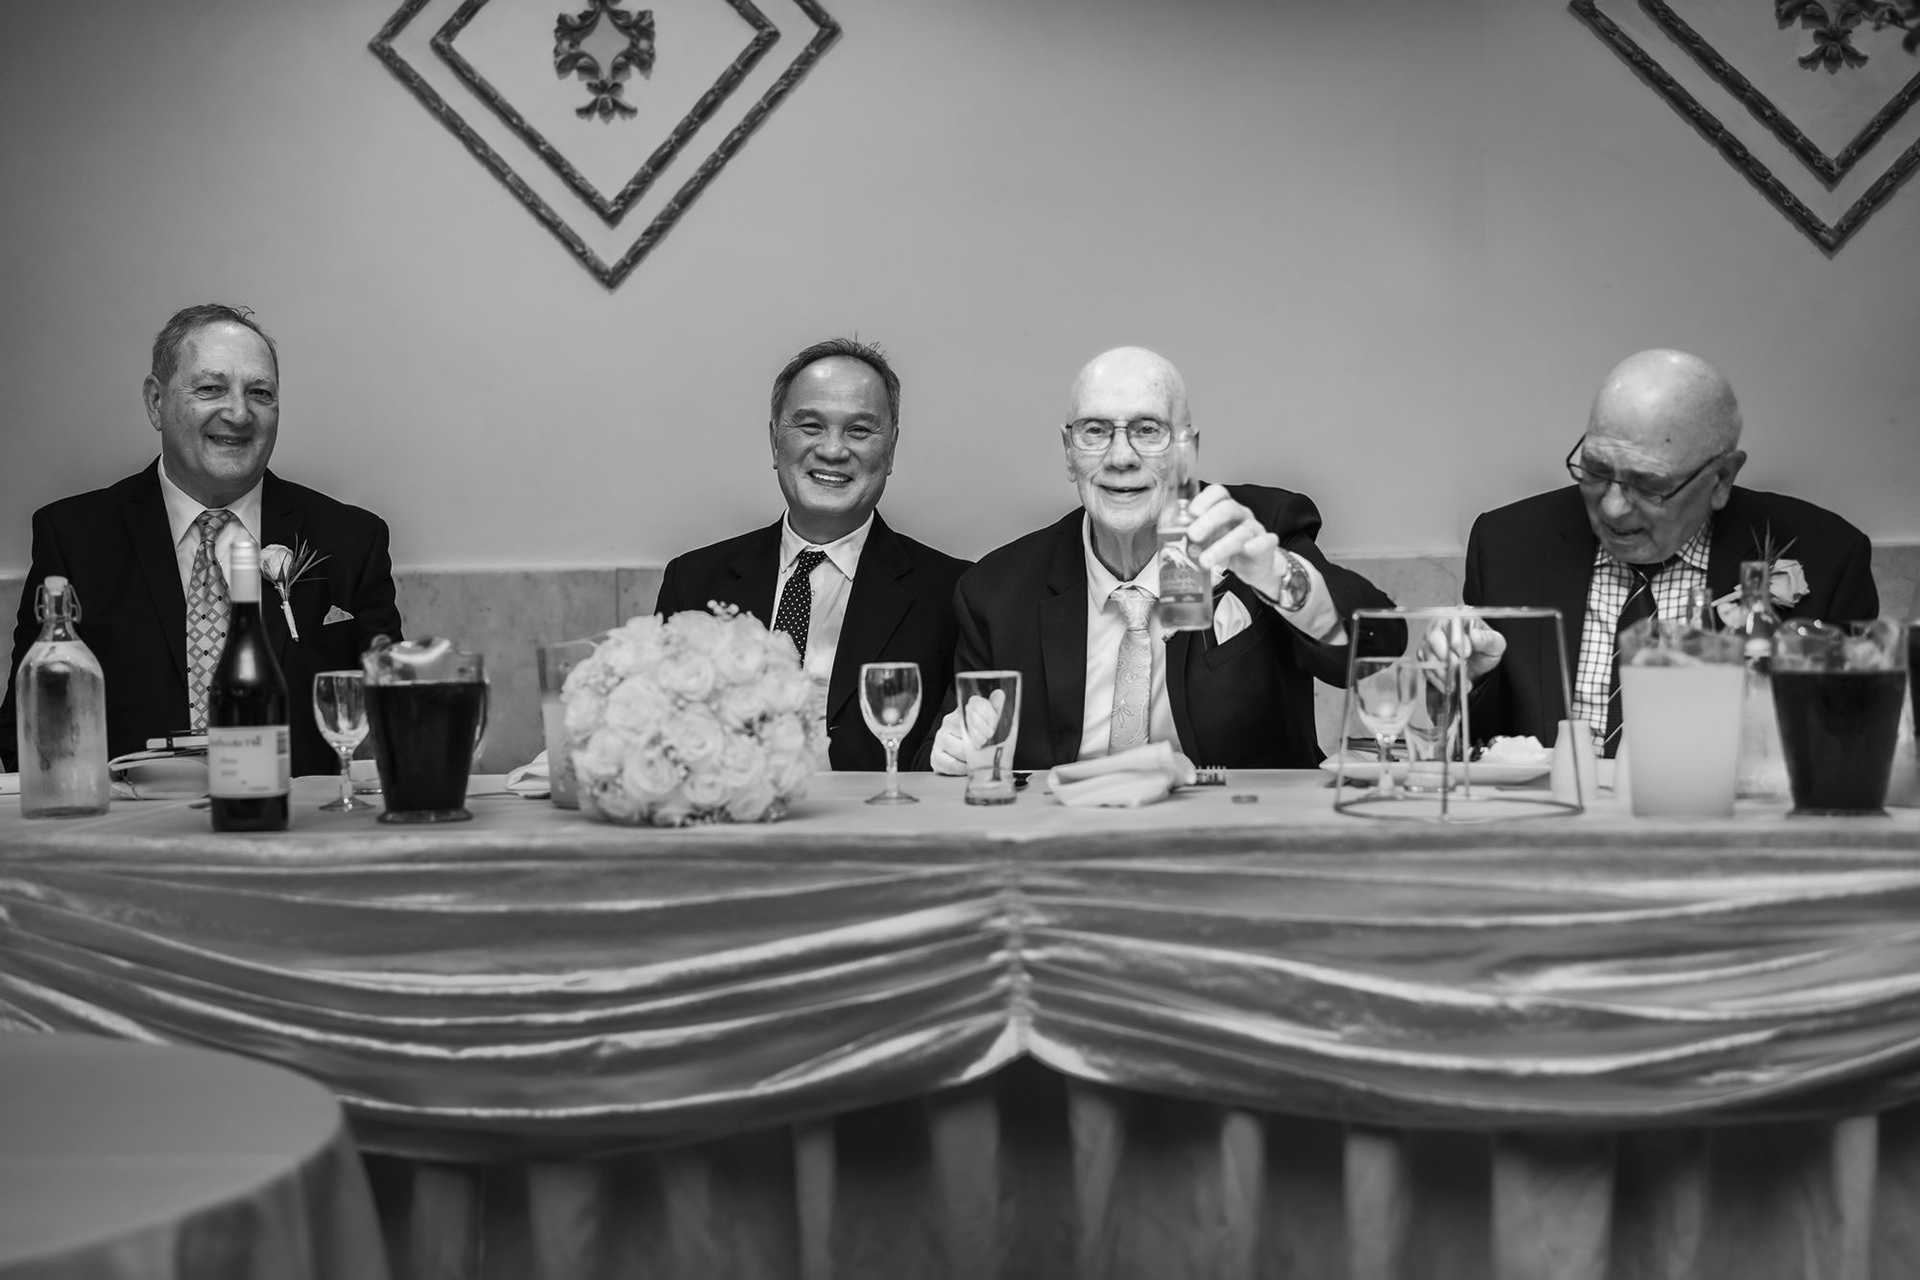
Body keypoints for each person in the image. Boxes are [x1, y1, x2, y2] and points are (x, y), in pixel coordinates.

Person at [925, 346, 1392, 773]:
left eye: (1148, 430)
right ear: (1069, 453)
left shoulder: (1256, 530)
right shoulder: (997, 592)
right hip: (1068, 828)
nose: (1121, 457)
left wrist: (1276, 575)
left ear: (1188, 450)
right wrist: (955, 751)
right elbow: (944, 754)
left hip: (1233, 826)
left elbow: (1379, 645)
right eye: (1095, 431)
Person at [1, 304, 403, 776]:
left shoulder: (351, 539)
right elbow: (29, 730)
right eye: (211, 388)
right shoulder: (74, 539)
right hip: (130, 816)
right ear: (156, 401)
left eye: (260, 393)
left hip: (295, 815)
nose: (239, 413)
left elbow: (397, 717)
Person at [1458, 348, 1878, 754]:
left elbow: (1848, 744)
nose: (1612, 507)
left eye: (1649, 485)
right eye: (1596, 471)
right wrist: (1465, 681)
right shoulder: (1508, 545)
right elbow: (1479, 748)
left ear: (1720, 479)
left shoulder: (1827, 558)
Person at [653, 338, 968, 770]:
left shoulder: (954, 593)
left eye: (859, 430)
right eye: (811, 426)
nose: (833, 450)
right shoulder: (692, 582)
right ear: (774, 440)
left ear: (891, 448)